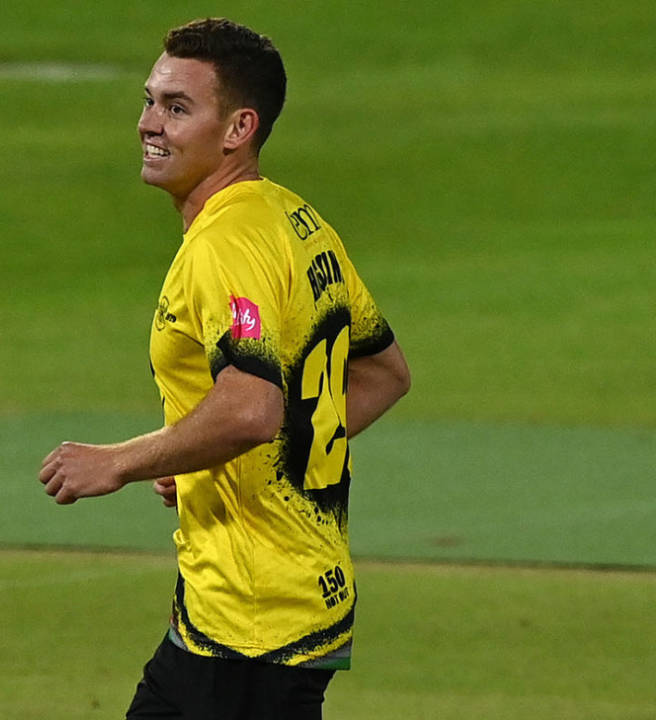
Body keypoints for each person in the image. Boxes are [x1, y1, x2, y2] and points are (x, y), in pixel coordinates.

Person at [38, 18, 410, 720]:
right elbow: (384, 372)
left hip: (253, 621)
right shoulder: (295, 220)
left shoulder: (224, 247)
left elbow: (249, 409)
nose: (149, 124)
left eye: (177, 108)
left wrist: (123, 461)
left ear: (239, 127)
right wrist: (222, 460)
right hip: (269, 602)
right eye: (150, 100)